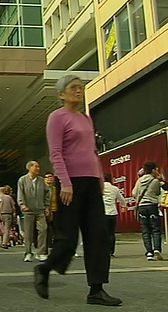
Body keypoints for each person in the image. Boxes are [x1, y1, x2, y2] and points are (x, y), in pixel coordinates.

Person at [34, 75, 122, 306]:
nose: (78, 91)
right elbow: (55, 153)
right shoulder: (57, 117)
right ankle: (45, 268)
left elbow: (92, 151)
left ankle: (96, 289)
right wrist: (65, 182)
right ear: (61, 94)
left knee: (98, 236)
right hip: (70, 183)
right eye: (73, 88)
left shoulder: (85, 118)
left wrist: (100, 178)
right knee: (68, 238)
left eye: (80, 88)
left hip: (92, 183)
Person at [18, 161, 50, 262]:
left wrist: (46, 206)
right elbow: (20, 193)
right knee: (28, 233)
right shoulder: (22, 180)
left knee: (43, 229)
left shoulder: (41, 180)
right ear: (29, 168)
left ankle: (41, 252)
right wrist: (22, 204)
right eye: (35, 166)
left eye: (38, 166)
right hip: (28, 210)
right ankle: (28, 252)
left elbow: (47, 193)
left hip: (40, 210)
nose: (38, 168)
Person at [132, 161, 163, 261]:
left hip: (142, 207)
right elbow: (158, 193)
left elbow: (133, 193)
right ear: (153, 170)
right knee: (155, 229)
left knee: (145, 230)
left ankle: (149, 252)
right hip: (152, 206)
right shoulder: (155, 181)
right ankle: (157, 249)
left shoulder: (139, 181)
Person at [102, 172, 127, 257]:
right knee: (111, 233)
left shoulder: (99, 188)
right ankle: (110, 251)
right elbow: (122, 199)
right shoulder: (115, 188)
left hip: (102, 213)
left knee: (102, 233)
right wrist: (124, 206)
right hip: (112, 212)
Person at [44, 172, 59, 249]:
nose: (49, 178)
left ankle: (55, 242)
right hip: (45, 210)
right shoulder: (43, 189)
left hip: (55, 210)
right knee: (46, 228)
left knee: (56, 227)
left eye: (51, 177)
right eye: (47, 177)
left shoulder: (55, 189)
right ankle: (47, 243)